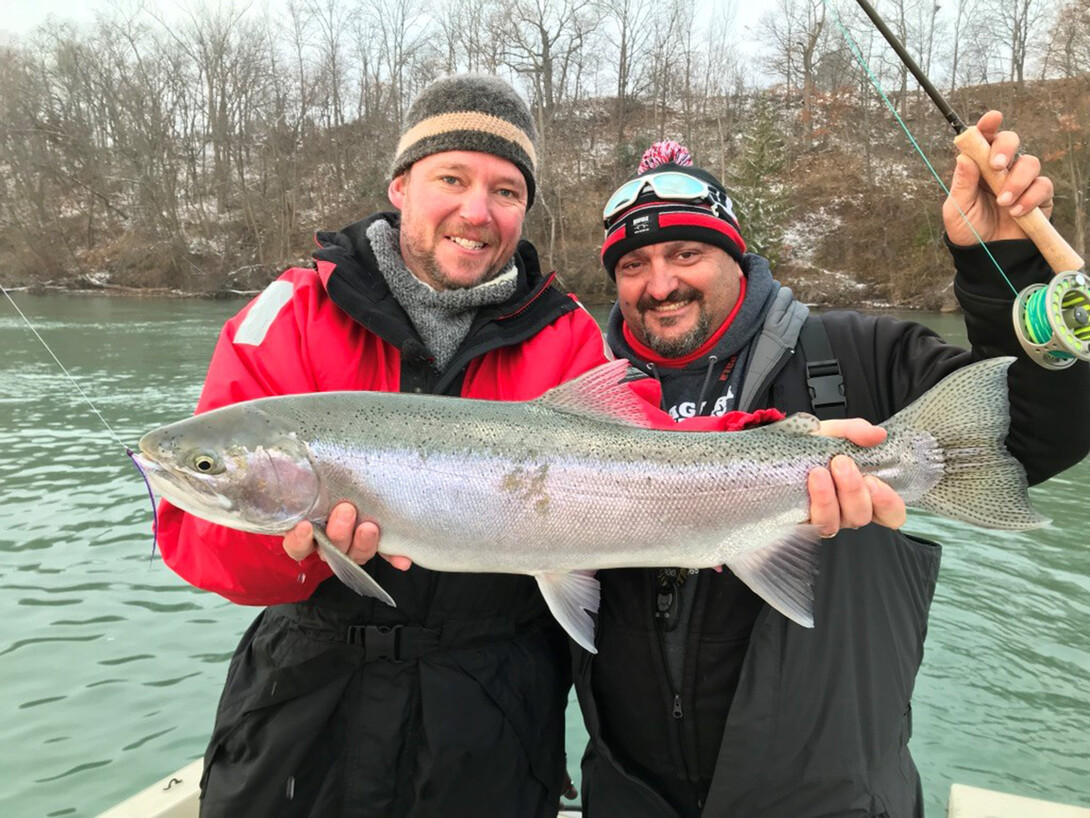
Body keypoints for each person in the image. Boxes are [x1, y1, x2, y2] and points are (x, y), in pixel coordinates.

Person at [155, 73, 902, 818]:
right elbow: (197, 543)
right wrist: (292, 550)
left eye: (506, 190)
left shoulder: (567, 331)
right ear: (401, 185)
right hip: (303, 711)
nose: (476, 212)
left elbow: (654, 453)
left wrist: (777, 447)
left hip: (489, 719)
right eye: (453, 178)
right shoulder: (289, 314)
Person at [572, 115, 1090, 817]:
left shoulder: (857, 355)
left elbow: (1031, 435)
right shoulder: (581, 397)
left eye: (686, 253)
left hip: (833, 803)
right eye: (632, 266)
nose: (658, 284)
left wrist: (1005, 269)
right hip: (629, 800)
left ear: (736, 256)